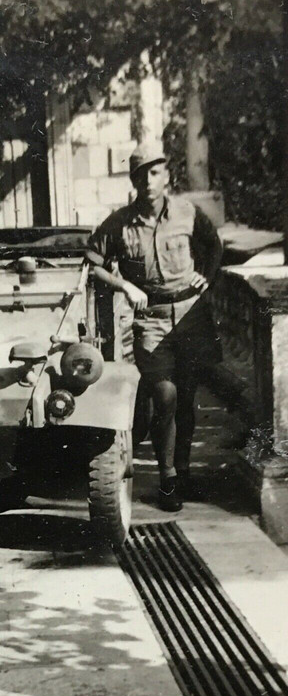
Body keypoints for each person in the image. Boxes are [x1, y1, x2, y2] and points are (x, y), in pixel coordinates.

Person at [85, 142, 223, 511]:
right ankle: (167, 479)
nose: (147, 180)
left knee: (187, 399)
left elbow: (214, 246)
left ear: (167, 176)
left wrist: (205, 277)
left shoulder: (188, 212)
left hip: (190, 316)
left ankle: (184, 473)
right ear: (132, 180)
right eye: (140, 174)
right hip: (152, 321)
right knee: (165, 396)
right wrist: (126, 285)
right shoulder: (120, 222)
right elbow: (93, 263)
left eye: (154, 172)